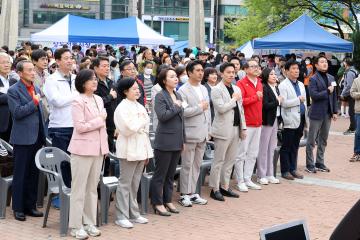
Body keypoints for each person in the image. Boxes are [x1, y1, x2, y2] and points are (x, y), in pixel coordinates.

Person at [67, 69, 108, 239]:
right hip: (82, 150)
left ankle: (89, 222)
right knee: (79, 189)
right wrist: (100, 119)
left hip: (98, 150)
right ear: (83, 82)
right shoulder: (77, 100)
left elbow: (102, 129)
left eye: (95, 79)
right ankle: (76, 226)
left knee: (92, 189)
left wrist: (104, 148)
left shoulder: (98, 99)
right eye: (91, 79)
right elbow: (81, 127)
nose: (95, 81)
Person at [8, 60, 45, 221]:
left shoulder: (35, 88)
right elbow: (17, 112)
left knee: (33, 173)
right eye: (29, 70)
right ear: (20, 72)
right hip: (22, 138)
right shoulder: (13, 90)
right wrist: (34, 101)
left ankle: (30, 205)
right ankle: (18, 208)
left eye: (33, 70)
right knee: (20, 174)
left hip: (37, 136)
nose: (32, 72)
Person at [113, 77, 153, 228]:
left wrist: (147, 152)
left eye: (138, 88)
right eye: (134, 89)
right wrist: (141, 121)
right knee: (125, 183)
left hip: (141, 147)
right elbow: (128, 129)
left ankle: (134, 213)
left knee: (135, 183)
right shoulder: (121, 108)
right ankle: (121, 215)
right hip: (128, 148)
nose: (138, 91)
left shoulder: (139, 106)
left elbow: (146, 129)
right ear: (125, 91)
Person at [208, 62, 246, 201]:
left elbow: (241, 110)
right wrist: (233, 99)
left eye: (233, 72)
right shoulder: (216, 89)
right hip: (222, 130)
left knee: (230, 160)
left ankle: (225, 186)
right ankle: (214, 188)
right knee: (219, 160)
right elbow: (221, 108)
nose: (231, 75)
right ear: (221, 73)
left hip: (236, 128)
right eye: (228, 72)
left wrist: (243, 128)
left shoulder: (236, 88)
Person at [150, 67, 184, 216]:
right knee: (160, 174)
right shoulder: (160, 96)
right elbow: (163, 116)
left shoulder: (177, 94)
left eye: (176, 76)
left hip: (177, 140)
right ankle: (157, 203)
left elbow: (181, 120)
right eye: (172, 76)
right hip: (164, 140)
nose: (176, 78)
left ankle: (167, 200)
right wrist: (176, 106)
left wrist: (183, 139)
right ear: (164, 81)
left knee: (170, 174)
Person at [178, 60, 211, 207]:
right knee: (187, 164)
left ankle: (193, 192)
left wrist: (209, 129)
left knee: (197, 164)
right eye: (197, 70)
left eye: (202, 70)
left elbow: (208, 111)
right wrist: (199, 107)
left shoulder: (204, 88)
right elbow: (183, 112)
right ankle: (184, 193)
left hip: (203, 132)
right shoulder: (182, 91)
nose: (200, 73)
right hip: (190, 133)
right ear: (189, 72)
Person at [234, 60, 263, 191]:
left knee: (253, 153)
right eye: (252, 66)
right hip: (246, 123)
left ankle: (248, 178)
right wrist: (255, 98)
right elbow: (240, 102)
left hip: (258, 123)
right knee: (241, 154)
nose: (256, 68)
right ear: (245, 69)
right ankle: (240, 181)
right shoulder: (241, 83)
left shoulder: (260, 82)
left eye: (257, 66)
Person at [305, 56, 338, 173]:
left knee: (323, 139)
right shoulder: (313, 79)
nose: (325, 64)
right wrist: (327, 91)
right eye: (322, 62)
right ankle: (309, 164)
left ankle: (319, 162)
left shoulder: (331, 78)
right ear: (316, 65)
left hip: (328, 113)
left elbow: (334, 96)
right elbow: (313, 95)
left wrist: (335, 111)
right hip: (316, 113)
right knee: (311, 139)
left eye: (326, 62)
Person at [278, 60, 308, 180]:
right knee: (287, 146)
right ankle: (285, 170)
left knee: (295, 145)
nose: (296, 71)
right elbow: (283, 103)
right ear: (286, 71)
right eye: (293, 69)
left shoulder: (300, 84)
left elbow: (304, 101)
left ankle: (293, 168)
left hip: (300, 118)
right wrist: (297, 100)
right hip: (289, 119)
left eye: (297, 69)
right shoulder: (283, 85)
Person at [92, 57, 117, 177]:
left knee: (109, 155)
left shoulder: (111, 82)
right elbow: (95, 102)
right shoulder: (93, 83)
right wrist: (110, 97)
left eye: (108, 66)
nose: (107, 68)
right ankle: (99, 184)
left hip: (111, 123)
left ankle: (105, 185)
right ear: (96, 68)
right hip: (99, 124)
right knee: (100, 157)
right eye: (104, 66)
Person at [257, 68, 281, 185]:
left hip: (275, 119)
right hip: (266, 120)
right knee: (263, 148)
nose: (274, 76)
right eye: (271, 74)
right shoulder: (264, 87)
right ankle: (261, 174)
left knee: (271, 148)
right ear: (266, 76)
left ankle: (270, 173)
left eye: (274, 74)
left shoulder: (275, 87)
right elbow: (265, 105)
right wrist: (278, 101)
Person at [0, 52, 17, 142]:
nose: (6, 65)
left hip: (14, 123)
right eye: (3, 63)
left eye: (8, 62)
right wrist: (12, 96)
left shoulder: (14, 81)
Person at [31, 49, 50, 125]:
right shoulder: (30, 75)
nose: (45, 62)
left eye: (46, 59)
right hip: (37, 110)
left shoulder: (48, 75)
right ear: (34, 61)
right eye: (42, 59)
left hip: (50, 111)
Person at [341, 58, 358, 135]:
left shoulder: (350, 72)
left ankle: (353, 128)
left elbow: (349, 86)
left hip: (352, 94)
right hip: (355, 93)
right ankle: (354, 127)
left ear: (346, 63)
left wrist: (343, 94)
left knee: (352, 112)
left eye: (344, 62)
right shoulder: (354, 70)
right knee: (354, 111)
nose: (343, 63)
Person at [350, 75, 360, 161]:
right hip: (359, 111)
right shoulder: (357, 80)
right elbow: (352, 92)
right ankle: (357, 152)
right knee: (358, 133)